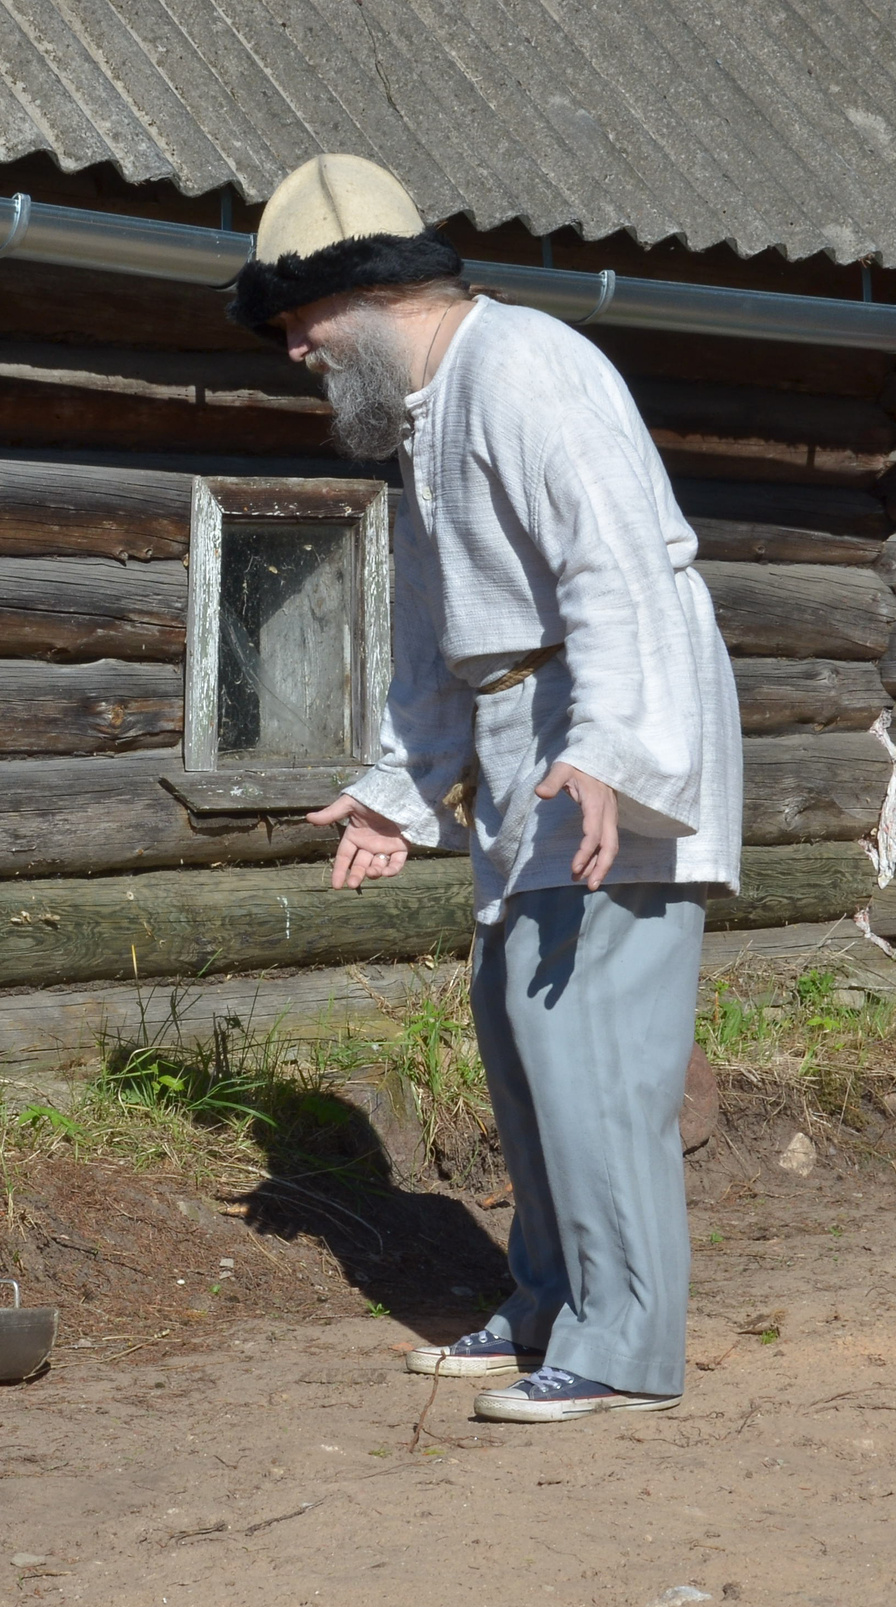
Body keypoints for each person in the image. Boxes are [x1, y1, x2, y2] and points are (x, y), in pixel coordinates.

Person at [228, 154, 742, 1424]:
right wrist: (401, 792)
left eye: (297, 325)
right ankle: (553, 1300)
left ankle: (624, 1345)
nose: (293, 352)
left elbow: (616, 566)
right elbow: (434, 636)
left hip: (604, 724)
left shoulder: (528, 368)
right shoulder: (419, 419)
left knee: (594, 1049)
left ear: (363, 296)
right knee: (521, 1039)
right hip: (529, 739)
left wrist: (612, 748)